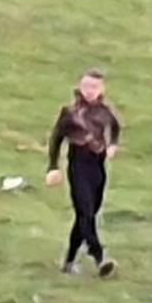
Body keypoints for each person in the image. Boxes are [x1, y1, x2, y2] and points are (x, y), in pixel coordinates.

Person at [46, 70, 122, 277]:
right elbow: (56, 139)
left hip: (98, 167)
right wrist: (53, 167)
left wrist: (113, 145)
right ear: (79, 87)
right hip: (77, 165)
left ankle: (68, 261)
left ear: (101, 90)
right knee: (85, 212)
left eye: (94, 87)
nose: (90, 91)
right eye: (86, 86)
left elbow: (115, 127)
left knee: (87, 215)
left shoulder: (105, 111)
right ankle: (100, 258)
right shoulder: (69, 113)